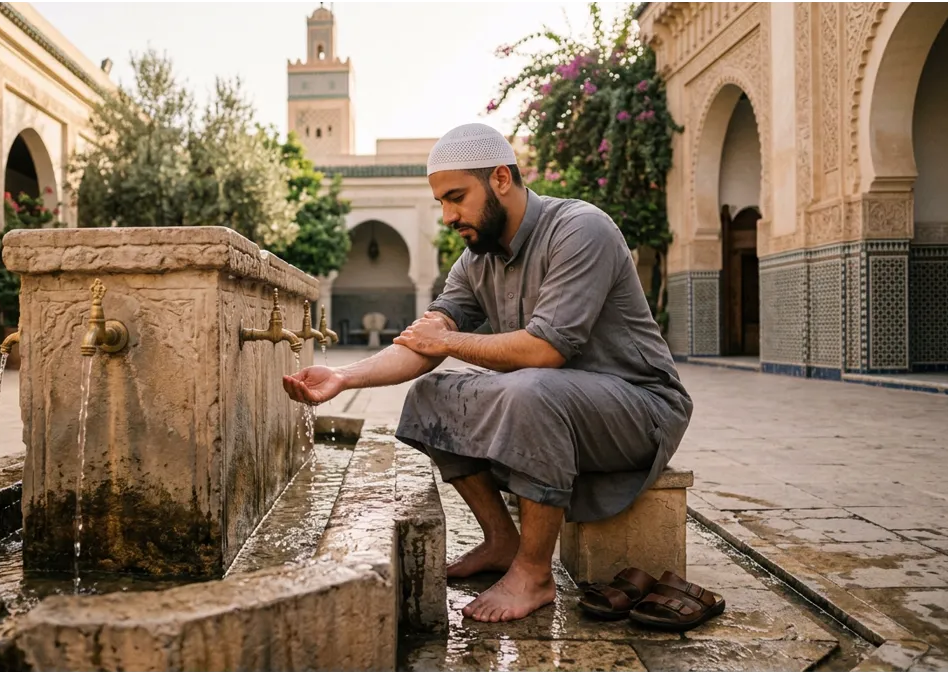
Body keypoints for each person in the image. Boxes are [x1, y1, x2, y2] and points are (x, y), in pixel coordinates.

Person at [281, 122, 693, 623]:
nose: (449, 216)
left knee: (531, 389)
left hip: (642, 409)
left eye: (456, 197)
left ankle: (534, 574)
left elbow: (545, 350)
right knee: (431, 394)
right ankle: (501, 540)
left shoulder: (580, 229)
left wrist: (449, 340)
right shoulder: (476, 260)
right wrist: (345, 377)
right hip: (556, 404)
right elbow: (422, 344)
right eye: (441, 203)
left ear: (500, 178)